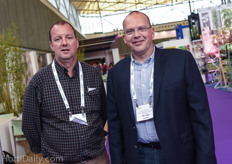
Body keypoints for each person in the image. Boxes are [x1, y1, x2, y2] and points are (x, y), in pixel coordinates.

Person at [107, 11, 217, 164]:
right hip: (139, 156)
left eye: (142, 28)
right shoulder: (115, 74)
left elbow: (200, 115)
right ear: (124, 38)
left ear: (152, 32)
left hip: (180, 153)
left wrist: (206, 159)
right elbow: (114, 125)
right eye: (130, 31)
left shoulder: (181, 61)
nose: (136, 35)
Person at [22, 20, 109, 164]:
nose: (64, 43)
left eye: (68, 37)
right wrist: (45, 150)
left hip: (97, 158)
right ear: (51, 45)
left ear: (76, 42)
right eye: (58, 39)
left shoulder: (93, 75)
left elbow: (103, 112)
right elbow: (30, 125)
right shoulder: (39, 81)